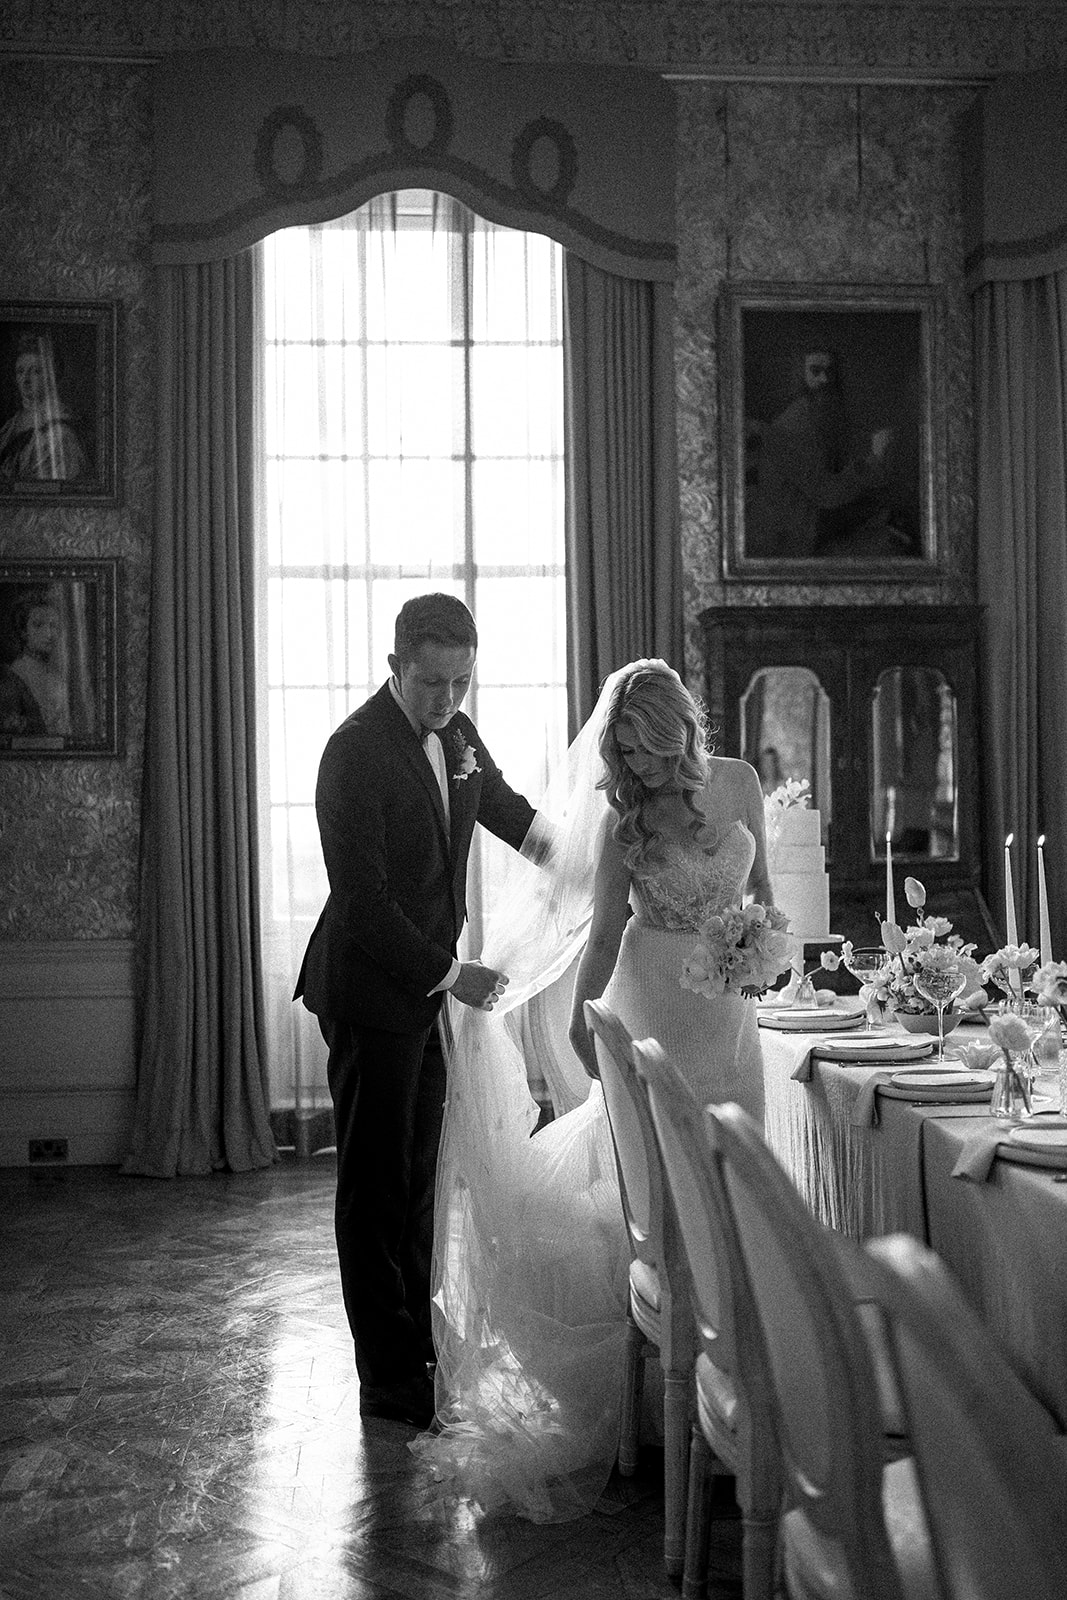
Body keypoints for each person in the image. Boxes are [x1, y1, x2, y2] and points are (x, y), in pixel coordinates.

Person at [412, 659, 778, 1520]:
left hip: (729, 1013)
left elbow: (759, 892)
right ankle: (657, 1408)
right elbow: (607, 930)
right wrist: (586, 1021)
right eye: (624, 757)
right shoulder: (624, 818)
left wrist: (761, 949)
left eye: (648, 755)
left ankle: (728, 1397)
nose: (639, 771)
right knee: (656, 1194)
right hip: (649, 999)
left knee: (734, 1187)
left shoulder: (740, 784)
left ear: (679, 733)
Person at [294, 593, 538, 1431]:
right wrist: (449, 973)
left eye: (461, 682)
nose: (446, 700)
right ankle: (386, 1377)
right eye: (431, 682)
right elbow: (362, 904)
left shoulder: (460, 738)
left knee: (418, 1180)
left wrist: (600, 851)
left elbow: (513, 817)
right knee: (374, 1185)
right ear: (394, 665)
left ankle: (415, 1351)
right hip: (367, 993)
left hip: (424, 992)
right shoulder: (352, 753)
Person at [745, 346, 908, 560]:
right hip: (793, 542)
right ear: (800, 375)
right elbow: (826, 494)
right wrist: (875, 458)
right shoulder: (796, 424)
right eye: (815, 371)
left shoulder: (824, 419)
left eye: (830, 372)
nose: (825, 380)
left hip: (812, 526)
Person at [0, 331, 89, 484]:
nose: (25, 379)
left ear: (51, 377)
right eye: (20, 371)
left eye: (36, 371)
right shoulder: (9, 426)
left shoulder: (62, 433)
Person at [0, 592, 71, 736]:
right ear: (23, 632)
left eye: (53, 625)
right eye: (38, 625)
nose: (49, 634)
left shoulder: (57, 676)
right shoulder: (14, 676)